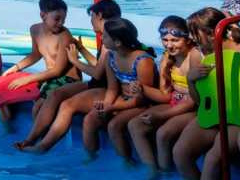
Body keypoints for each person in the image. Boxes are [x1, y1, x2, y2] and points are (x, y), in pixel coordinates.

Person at [24, 18, 156, 155]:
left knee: (114, 125)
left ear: (117, 42)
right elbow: (112, 88)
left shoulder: (142, 61)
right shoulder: (111, 55)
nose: (101, 38)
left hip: (138, 102)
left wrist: (112, 107)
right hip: (121, 97)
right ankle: (90, 157)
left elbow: (145, 96)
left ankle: (127, 161)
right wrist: (105, 105)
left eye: (105, 36)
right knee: (89, 119)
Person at [15, 0, 120, 151]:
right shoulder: (110, 36)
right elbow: (100, 66)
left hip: (105, 87)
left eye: (91, 17)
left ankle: (43, 145)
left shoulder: (110, 40)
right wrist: (82, 50)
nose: (90, 21)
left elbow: (98, 73)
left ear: (99, 16)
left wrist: (74, 61)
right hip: (98, 84)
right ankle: (31, 140)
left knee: (66, 105)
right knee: (56, 94)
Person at [173, 7, 240, 178]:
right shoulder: (204, 55)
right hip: (214, 113)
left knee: (212, 160)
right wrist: (191, 79)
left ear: (212, 33)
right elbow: (200, 102)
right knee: (180, 152)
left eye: (196, 35)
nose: (193, 40)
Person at [127, 16, 196, 172]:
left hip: (194, 108)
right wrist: (142, 89)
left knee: (163, 134)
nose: (169, 45)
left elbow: (193, 101)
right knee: (135, 125)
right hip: (175, 103)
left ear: (187, 39)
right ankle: (152, 170)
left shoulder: (194, 58)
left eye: (175, 40)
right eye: (165, 40)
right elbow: (165, 96)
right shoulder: (167, 58)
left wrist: (161, 116)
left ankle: (166, 172)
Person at [0, 0, 79, 121]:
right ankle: (7, 132)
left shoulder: (64, 36)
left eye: (63, 20)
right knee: (3, 93)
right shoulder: (35, 29)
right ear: (43, 15)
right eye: (57, 19)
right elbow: (36, 54)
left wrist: (28, 79)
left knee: (38, 107)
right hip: (48, 76)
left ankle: (36, 138)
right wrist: (16, 68)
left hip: (66, 78)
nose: (61, 23)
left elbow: (58, 70)